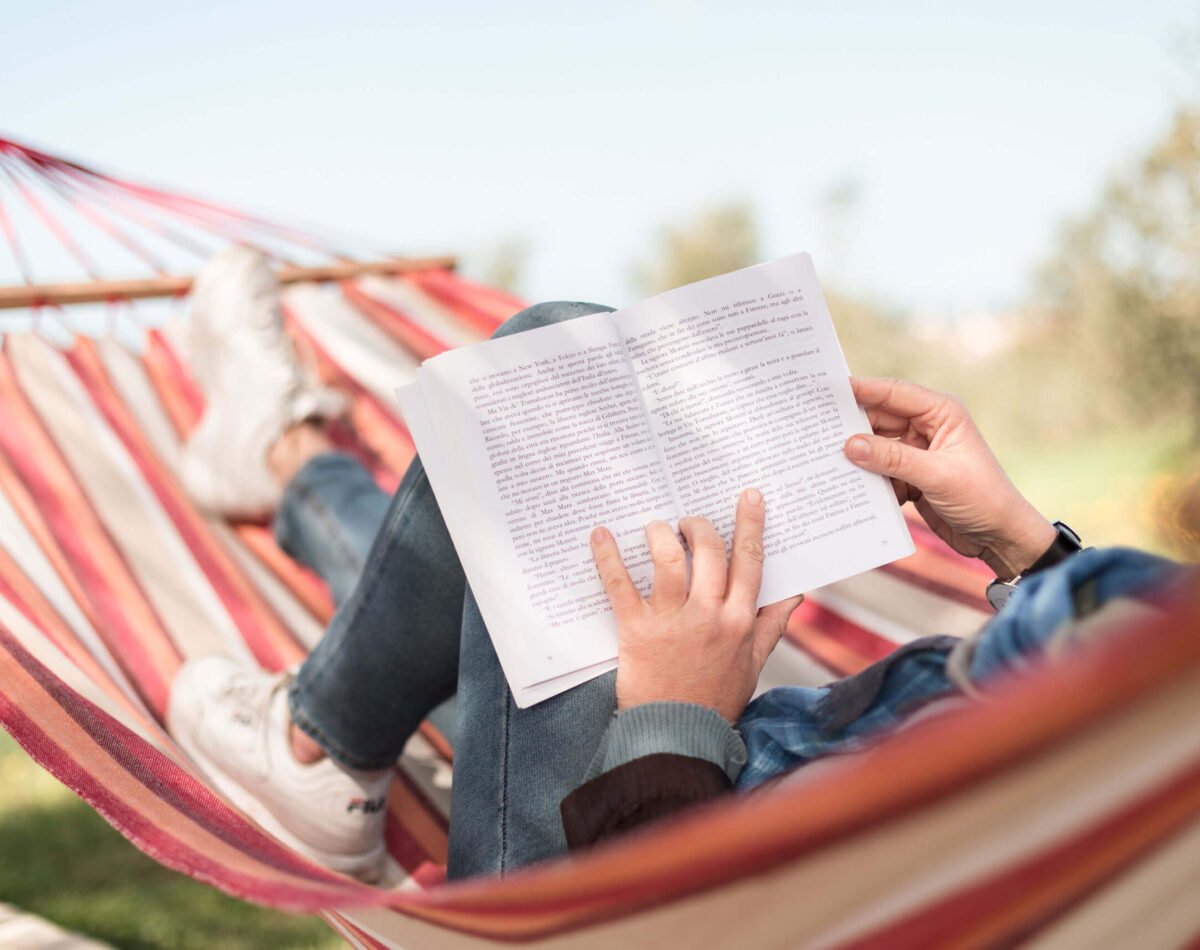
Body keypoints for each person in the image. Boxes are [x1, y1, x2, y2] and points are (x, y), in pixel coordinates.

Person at [168, 247, 1182, 883]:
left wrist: (673, 720)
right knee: (500, 565)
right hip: (730, 756)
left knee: (547, 374)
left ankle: (318, 736)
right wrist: (1023, 543)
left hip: (624, 866)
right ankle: (286, 459)